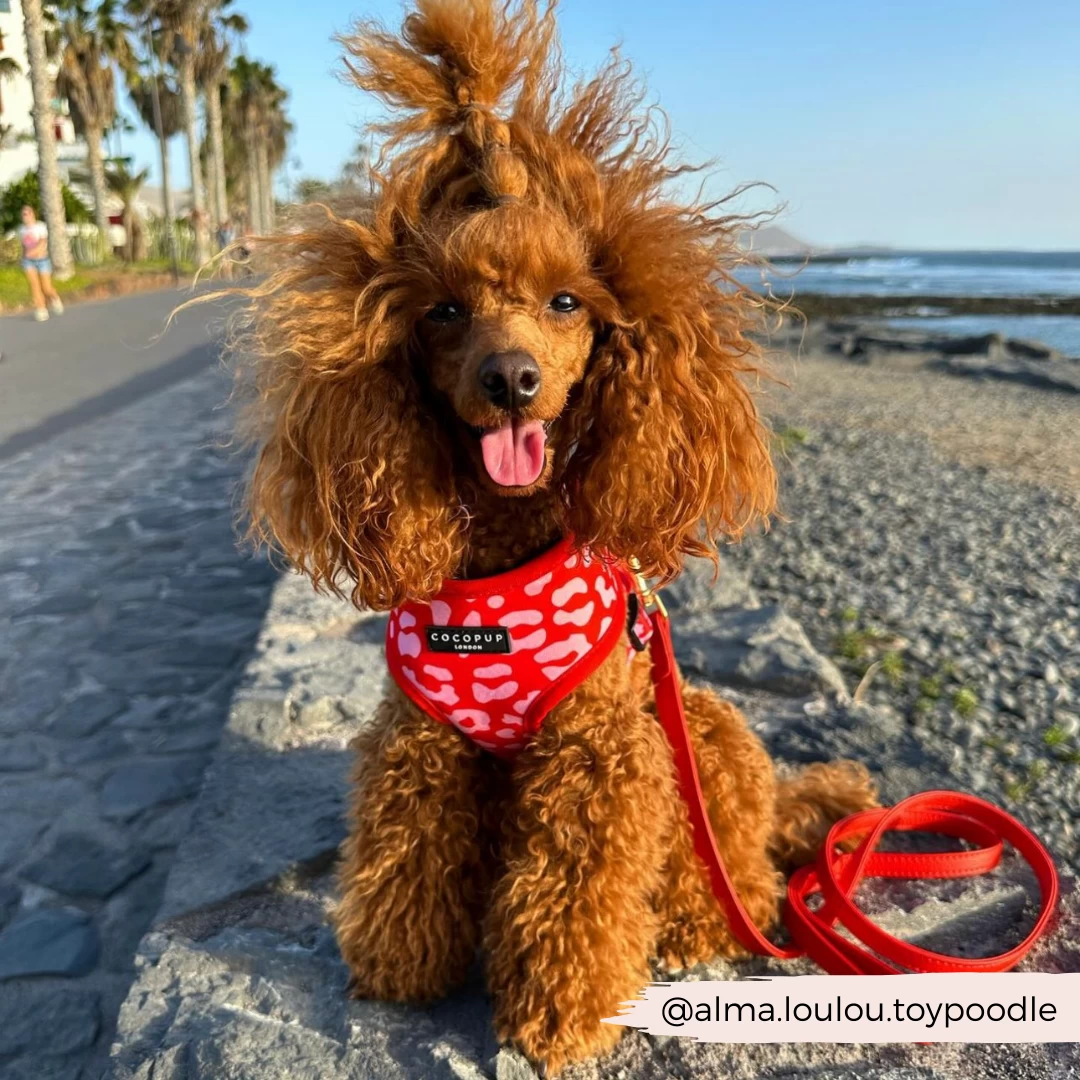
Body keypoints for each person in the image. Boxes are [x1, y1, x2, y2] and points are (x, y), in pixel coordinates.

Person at [19, 205, 64, 323]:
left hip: (42, 260)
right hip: (28, 262)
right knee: (34, 286)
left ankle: (54, 298)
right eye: (23, 214)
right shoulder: (22, 230)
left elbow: (42, 242)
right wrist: (24, 256)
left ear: (33, 214)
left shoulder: (40, 226)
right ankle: (41, 309)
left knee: (46, 287)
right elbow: (23, 246)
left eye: (27, 213)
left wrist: (33, 252)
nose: (25, 216)